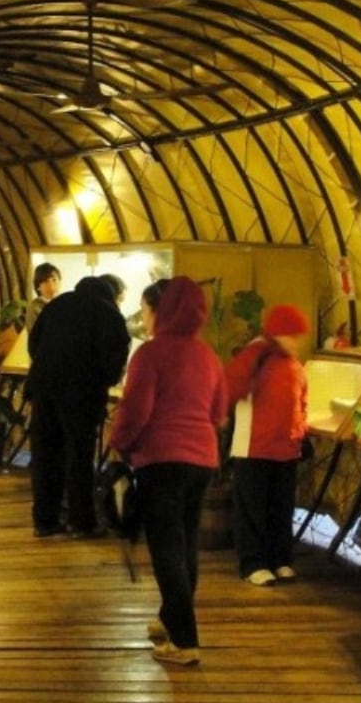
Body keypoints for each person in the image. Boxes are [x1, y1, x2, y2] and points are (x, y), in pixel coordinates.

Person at [108, 277, 228, 666]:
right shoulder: (207, 355)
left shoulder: (151, 354)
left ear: (162, 310)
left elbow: (136, 410)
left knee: (166, 549)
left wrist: (120, 444)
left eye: (146, 309)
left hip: (162, 460)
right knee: (186, 544)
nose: (144, 316)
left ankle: (184, 640)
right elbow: (218, 413)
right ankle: (169, 619)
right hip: (202, 460)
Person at [26, 276, 130, 538]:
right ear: (113, 294)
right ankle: (81, 521)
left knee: (46, 454)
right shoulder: (108, 313)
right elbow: (114, 358)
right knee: (79, 456)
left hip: (44, 388)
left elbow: (34, 343)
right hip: (81, 395)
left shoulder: (57, 304)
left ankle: (45, 520)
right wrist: (105, 382)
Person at [224, 303, 310, 587]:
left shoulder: (291, 360)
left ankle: (280, 558)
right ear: (278, 332)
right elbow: (230, 387)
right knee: (252, 508)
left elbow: (301, 400)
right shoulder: (256, 354)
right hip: (254, 445)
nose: (297, 341)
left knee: (281, 507)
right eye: (292, 334)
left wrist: (300, 432)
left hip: (285, 446)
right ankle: (253, 562)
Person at [23, 262, 61, 337]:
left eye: (54, 280)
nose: (51, 285)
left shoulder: (65, 304)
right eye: (45, 281)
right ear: (38, 287)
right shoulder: (34, 308)